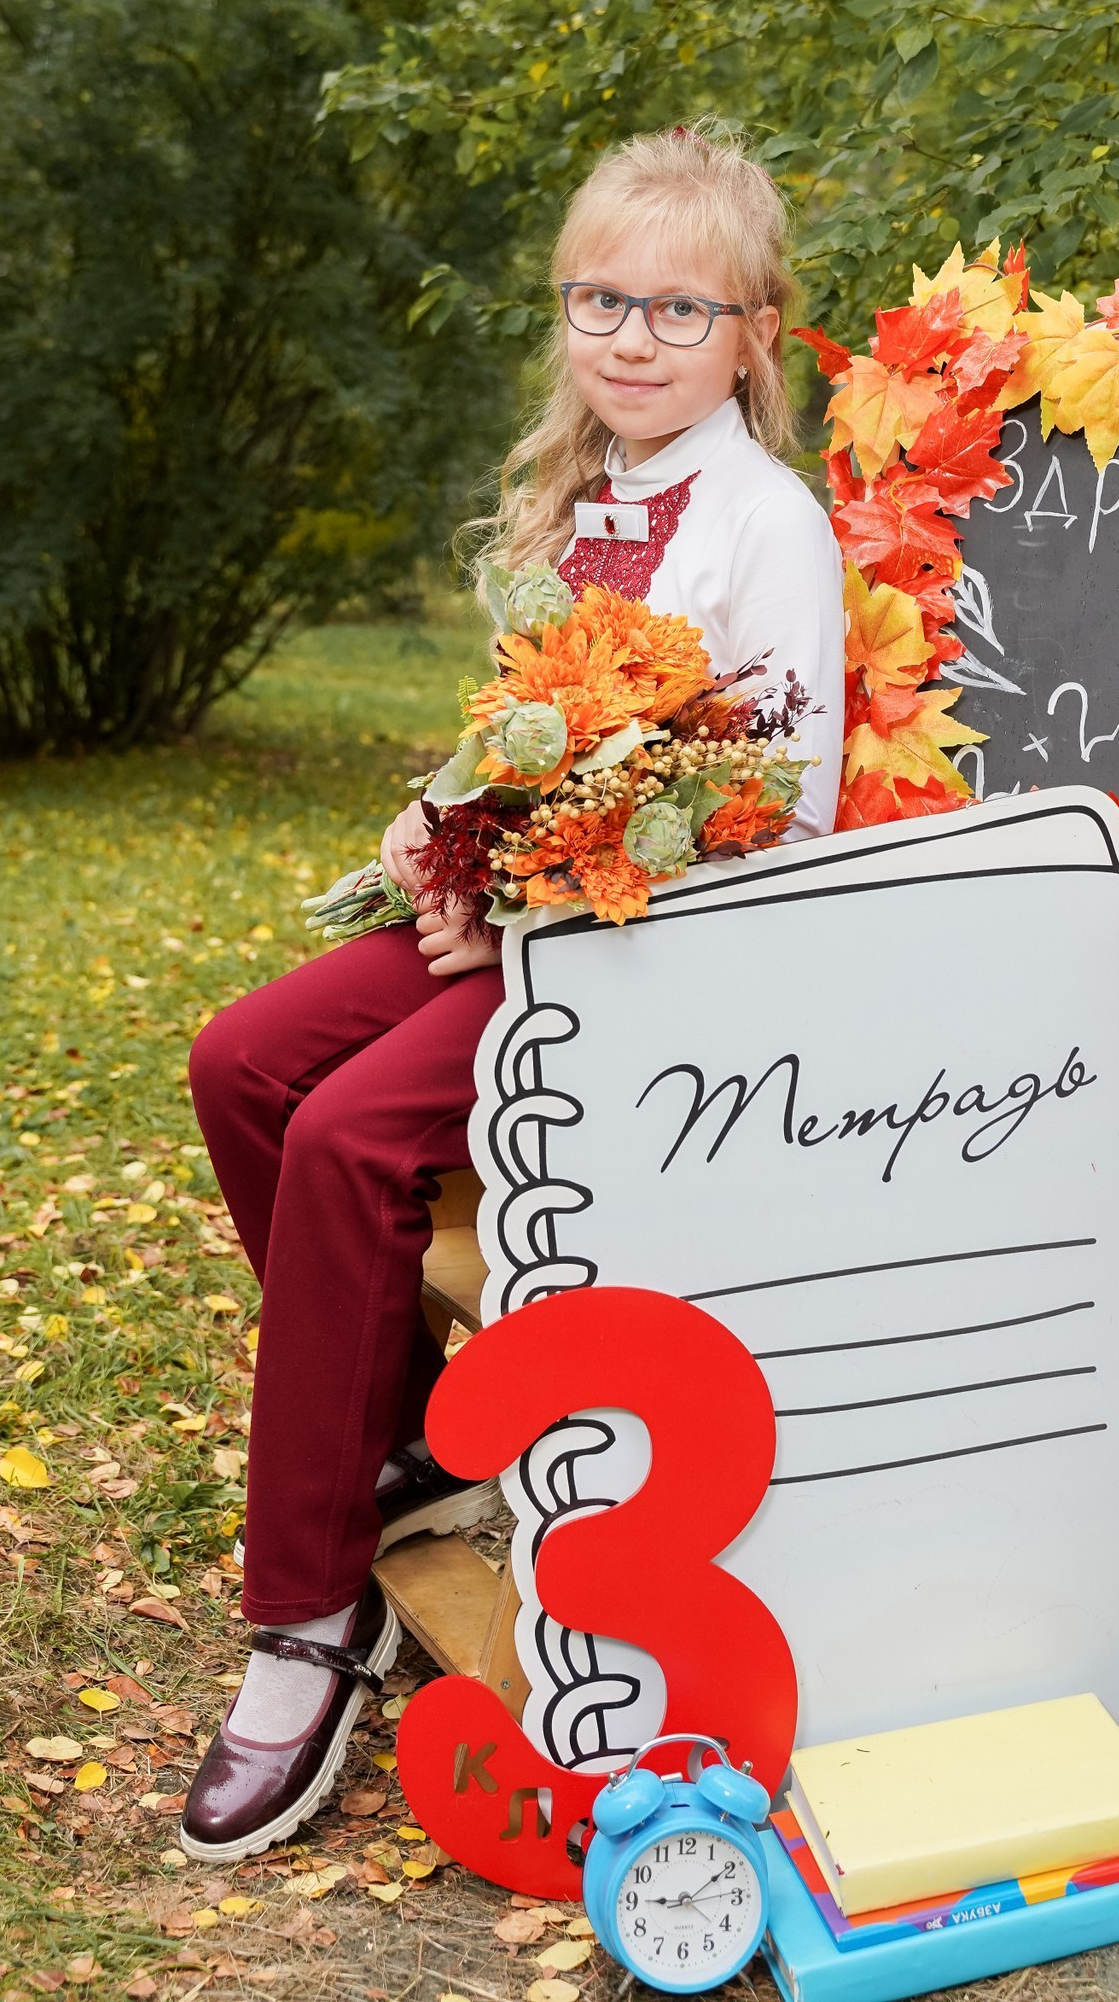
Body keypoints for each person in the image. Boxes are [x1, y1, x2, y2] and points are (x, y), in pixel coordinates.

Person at [179, 122, 845, 1858]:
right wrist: (446, 820)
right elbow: (527, 727)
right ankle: (396, 1435)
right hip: (518, 916)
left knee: (345, 1140)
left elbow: (783, 808)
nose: (630, 337)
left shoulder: (765, 526)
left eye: (675, 309)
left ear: (752, 332)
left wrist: (540, 891)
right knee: (244, 1062)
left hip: (644, 955)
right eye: (598, 299)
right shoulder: (579, 498)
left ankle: (304, 1617)